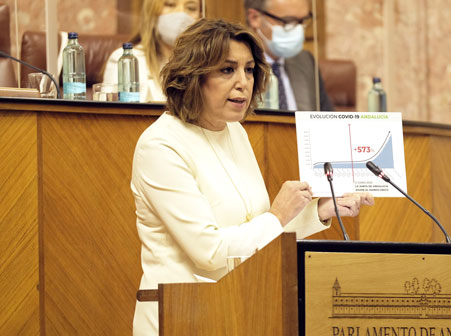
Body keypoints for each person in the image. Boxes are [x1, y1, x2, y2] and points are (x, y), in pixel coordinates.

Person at [130, 19, 373, 335]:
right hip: (181, 316)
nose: (243, 82)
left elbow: (254, 231)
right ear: (192, 76)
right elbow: (210, 252)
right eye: (227, 70)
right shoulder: (160, 145)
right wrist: (277, 215)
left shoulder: (236, 132)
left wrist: (318, 211)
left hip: (240, 309)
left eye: (249, 69)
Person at [102, 0, 201, 102]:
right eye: (170, 5)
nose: (181, 13)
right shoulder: (126, 60)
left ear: (200, 18)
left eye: (191, 8)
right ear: (151, 13)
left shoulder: (206, 64)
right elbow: (113, 114)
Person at [244, 0, 335, 111]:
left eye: (302, 21)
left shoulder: (306, 61)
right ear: (254, 18)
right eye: (288, 21)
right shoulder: (233, 67)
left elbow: (327, 121)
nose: (298, 29)